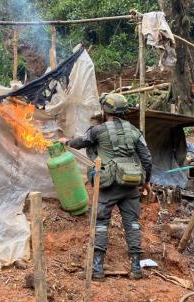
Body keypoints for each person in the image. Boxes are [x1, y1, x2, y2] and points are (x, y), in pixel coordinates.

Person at [60, 93, 152, 280]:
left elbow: (80, 142)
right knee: (133, 225)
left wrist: (66, 142)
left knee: (101, 224)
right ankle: (136, 269)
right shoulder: (135, 131)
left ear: (105, 110)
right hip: (131, 184)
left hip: (108, 185)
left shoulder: (98, 130)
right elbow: (147, 159)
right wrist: (145, 181)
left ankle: (97, 270)